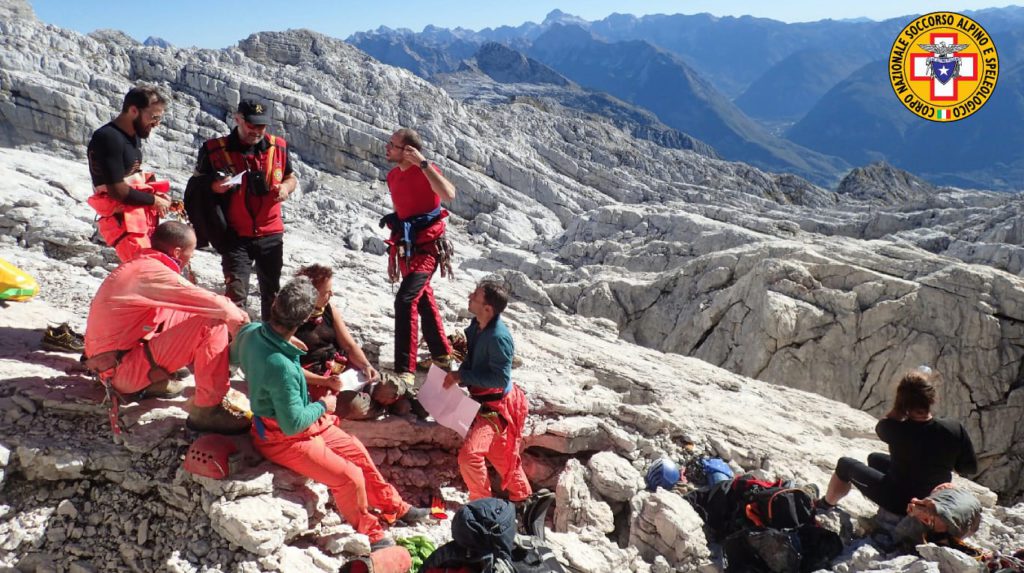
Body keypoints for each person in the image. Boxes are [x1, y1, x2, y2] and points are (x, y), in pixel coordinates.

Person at [231, 276, 428, 549]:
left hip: (304, 425)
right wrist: (325, 404)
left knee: (356, 451)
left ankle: (395, 507)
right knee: (349, 477)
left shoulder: (252, 332)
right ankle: (371, 533)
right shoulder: (283, 367)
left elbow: (236, 357)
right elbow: (292, 424)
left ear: (276, 303)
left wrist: (319, 381)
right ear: (301, 322)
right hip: (283, 437)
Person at [83, 221, 252, 434]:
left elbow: (199, 300)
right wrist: (249, 332)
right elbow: (219, 307)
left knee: (201, 309)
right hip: (119, 370)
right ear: (178, 252)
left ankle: (157, 377)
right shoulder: (151, 273)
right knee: (212, 321)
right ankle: (208, 409)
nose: (191, 258)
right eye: (191, 253)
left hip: (112, 361)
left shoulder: (142, 265)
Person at [820, 368, 978, 516]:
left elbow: (883, 425)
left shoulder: (894, 430)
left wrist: (900, 408)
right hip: (934, 499)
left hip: (899, 502)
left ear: (902, 403)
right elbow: (968, 467)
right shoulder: (954, 428)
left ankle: (825, 505)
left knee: (845, 465)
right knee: (874, 458)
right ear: (932, 399)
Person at [194, 98, 297, 321]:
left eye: (261, 126)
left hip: (270, 233)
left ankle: (267, 346)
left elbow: (290, 177)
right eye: (251, 125)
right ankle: (234, 345)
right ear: (237, 119)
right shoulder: (213, 149)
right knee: (235, 295)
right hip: (234, 235)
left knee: (272, 293)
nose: (256, 131)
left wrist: (286, 189)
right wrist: (214, 186)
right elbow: (196, 186)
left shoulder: (278, 146)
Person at [444, 282, 532, 503]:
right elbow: (471, 352)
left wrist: (460, 376)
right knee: (501, 455)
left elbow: (500, 379)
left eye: (476, 295)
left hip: (497, 407)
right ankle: (523, 500)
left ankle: (481, 505)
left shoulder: (498, 338)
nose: (470, 296)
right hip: (485, 402)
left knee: (470, 456)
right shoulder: (477, 325)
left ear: (488, 309)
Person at [381, 128, 456, 384]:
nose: (387, 147)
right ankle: (442, 356)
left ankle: (405, 371)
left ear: (409, 150)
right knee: (423, 298)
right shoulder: (392, 176)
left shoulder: (426, 170)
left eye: (393, 144)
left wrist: (423, 163)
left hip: (428, 248)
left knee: (405, 299)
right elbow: (402, 207)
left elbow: (449, 194)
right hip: (407, 246)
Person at [87, 85, 172, 263]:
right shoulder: (108, 137)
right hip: (122, 223)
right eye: (153, 117)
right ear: (134, 110)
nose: (156, 123)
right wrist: (154, 201)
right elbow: (117, 191)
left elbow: (132, 174)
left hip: (135, 217)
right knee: (143, 270)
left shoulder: (133, 136)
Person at [293, 264, 379, 398]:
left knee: (385, 387)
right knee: (353, 404)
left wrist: (365, 365)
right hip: (315, 377)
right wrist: (325, 381)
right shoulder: (291, 317)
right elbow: (290, 368)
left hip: (340, 368)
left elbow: (349, 346)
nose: (332, 294)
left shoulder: (329, 309)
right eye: (327, 292)